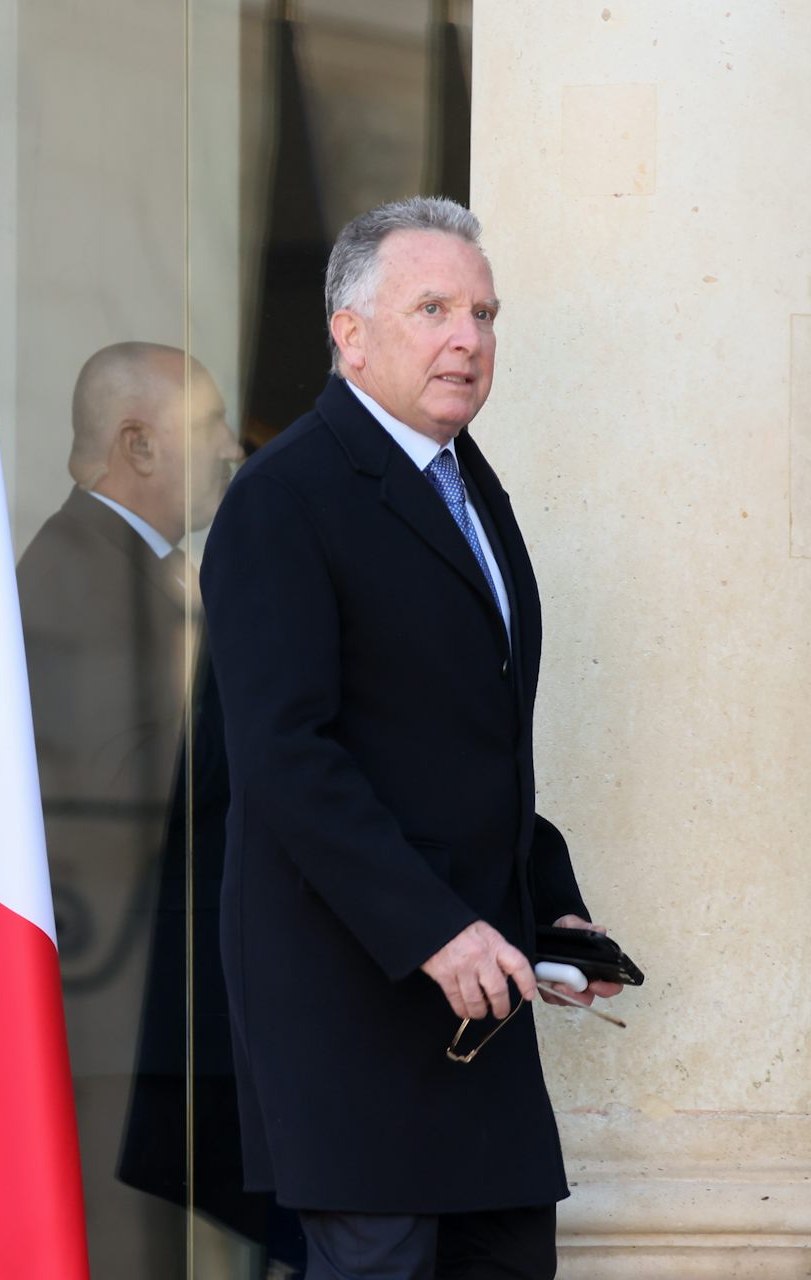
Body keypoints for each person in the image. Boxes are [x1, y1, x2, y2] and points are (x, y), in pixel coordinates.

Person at [197, 196, 620, 1279]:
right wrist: (437, 929)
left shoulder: (469, 484)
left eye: (484, 313)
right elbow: (287, 759)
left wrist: (551, 904)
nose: (467, 338)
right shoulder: (284, 496)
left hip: (481, 1009)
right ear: (350, 333)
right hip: (351, 1006)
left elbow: (466, 742)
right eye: (433, 308)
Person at [16, 343, 244, 1276]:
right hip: (118, 1028)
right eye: (209, 426)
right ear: (138, 445)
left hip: (146, 1019)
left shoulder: (134, 568)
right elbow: (129, 791)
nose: (231, 447)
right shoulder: (79, 575)